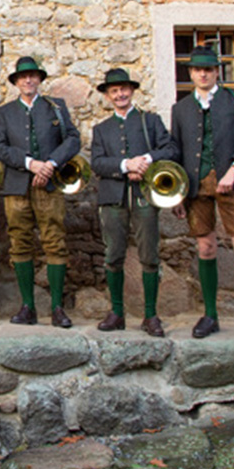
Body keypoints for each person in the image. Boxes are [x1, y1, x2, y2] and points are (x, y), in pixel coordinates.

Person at [170, 45, 234, 343]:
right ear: (190, 74)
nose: (203, 73)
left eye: (209, 69)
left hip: (233, 184)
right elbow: (176, 151)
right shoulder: (180, 108)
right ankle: (210, 314)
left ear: (217, 72)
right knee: (205, 248)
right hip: (195, 187)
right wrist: (177, 194)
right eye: (197, 69)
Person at [90, 68, 180, 337]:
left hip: (144, 195)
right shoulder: (101, 129)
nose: (120, 94)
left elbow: (171, 149)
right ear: (107, 95)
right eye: (114, 90)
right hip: (112, 196)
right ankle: (117, 312)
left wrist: (146, 160)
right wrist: (124, 165)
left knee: (149, 255)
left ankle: (150, 315)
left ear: (132, 91)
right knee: (113, 254)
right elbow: (97, 163)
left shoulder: (150, 121)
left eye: (124, 89)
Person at [0, 56, 81, 328]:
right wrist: (31, 164)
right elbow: (1, 147)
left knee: (54, 239)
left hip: (49, 184)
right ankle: (27, 306)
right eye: (23, 77)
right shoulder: (5, 112)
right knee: (19, 241)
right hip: (17, 186)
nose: (28, 80)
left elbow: (73, 139)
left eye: (32, 76)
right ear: (16, 82)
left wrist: (51, 164)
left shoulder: (56, 107)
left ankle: (56, 308)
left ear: (40, 79)